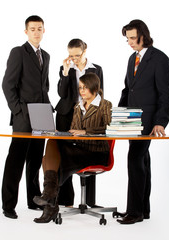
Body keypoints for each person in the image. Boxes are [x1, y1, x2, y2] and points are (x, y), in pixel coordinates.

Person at [33, 72, 112, 223]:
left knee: (52, 160)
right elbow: (74, 130)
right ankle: (49, 196)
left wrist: (86, 132)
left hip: (97, 152)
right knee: (52, 142)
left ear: (95, 88)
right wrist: (61, 134)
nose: (81, 91)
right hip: (80, 149)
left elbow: (108, 129)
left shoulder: (105, 105)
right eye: (80, 87)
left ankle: (49, 202)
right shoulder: (78, 106)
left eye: (85, 87)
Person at [116, 19, 169, 224]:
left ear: (143, 35)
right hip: (130, 120)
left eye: (133, 38)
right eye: (127, 39)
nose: (130, 42)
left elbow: (166, 94)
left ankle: (135, 211)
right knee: (142, 161)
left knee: (135, 159)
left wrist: (161, 122)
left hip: (148, 120)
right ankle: (143, 209)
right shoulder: (133, 58)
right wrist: (117, 116)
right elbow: (127, 89)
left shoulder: (159, 59)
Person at [2, 15, 50, 219]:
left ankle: (33, 200)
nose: (36, 32)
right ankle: (8, 205)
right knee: (16, 160)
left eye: (39, 28)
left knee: (35, 161)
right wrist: (18, 111)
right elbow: (7, 84)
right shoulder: (18, 52)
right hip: (23, 115)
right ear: (26, 32)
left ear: (44, 30)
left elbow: (44, 86)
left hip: (42, 116)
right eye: (32, 29)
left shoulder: (46, 55)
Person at [55, 39, 104, 207]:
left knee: (89, 151)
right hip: (66, 115)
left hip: (87, 115)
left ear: (85, 51)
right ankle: (66, 200)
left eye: (77, 55)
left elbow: (100, 94)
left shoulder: (96, 69)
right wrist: (66, 73)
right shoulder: (66, 68)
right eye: (71, 55)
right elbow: (62, 94)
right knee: (64, 154)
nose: (74, 59)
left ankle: (90, 201)